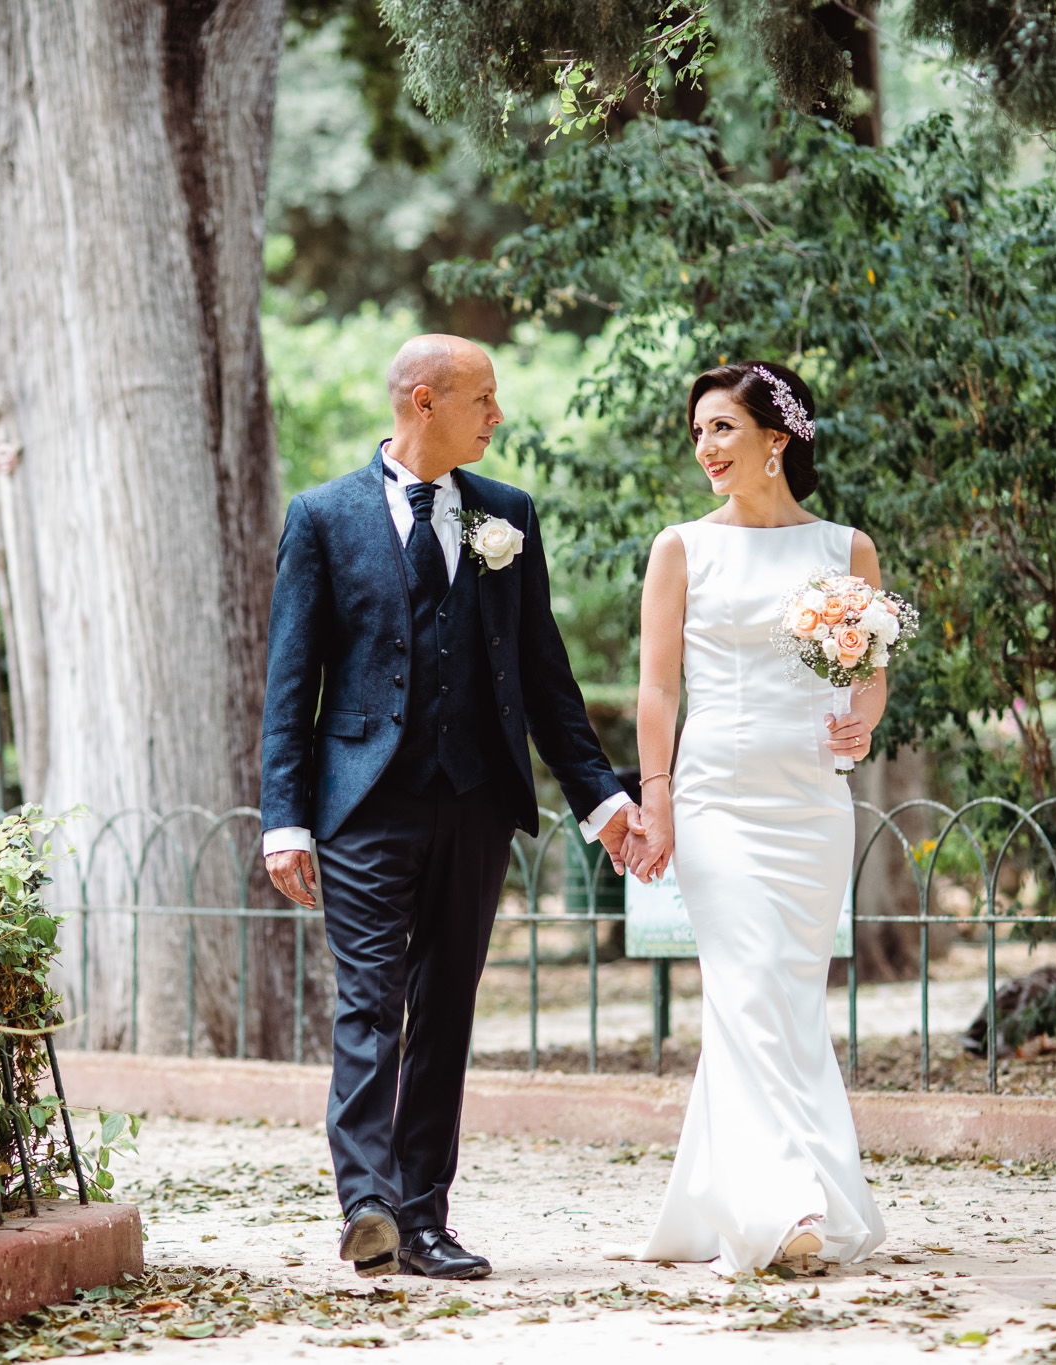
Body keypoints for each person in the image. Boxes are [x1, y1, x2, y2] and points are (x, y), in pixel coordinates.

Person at [260, 335, 638, 1280]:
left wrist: (602, 799)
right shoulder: (322, 517)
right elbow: (289, 683)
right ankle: (369, 1204)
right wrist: (285, 818)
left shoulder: (507, 516)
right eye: (483, 399)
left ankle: (424, 1218)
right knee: (370, 1003)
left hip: (473, 805)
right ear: (422, 401)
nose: (497, 417)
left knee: (446, 1014)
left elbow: (548, 678)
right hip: (364, 806)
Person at [612, 360, 888, 1276]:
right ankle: (784, 1207)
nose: (705, 448)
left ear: (778, 438)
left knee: (784, 999)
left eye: (721, 428)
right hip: (715, 799)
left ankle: (710, 1202)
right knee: (746, 984)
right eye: (697, 432)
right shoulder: (681, 547)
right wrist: (657, 800)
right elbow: (657, 689)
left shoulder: (845, 548)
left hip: (811, 800)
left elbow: (869, 666)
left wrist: (867, 714)